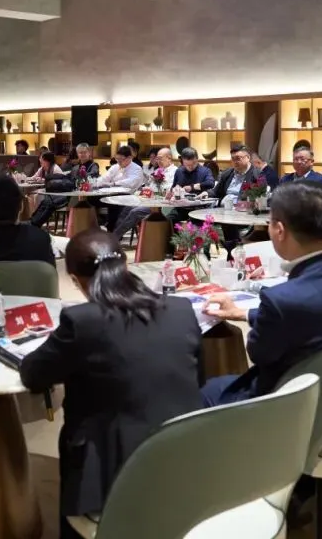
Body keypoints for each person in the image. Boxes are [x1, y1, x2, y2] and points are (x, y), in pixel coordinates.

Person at [20, 230, 201, 538]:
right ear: (125, 265)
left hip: (114, 476)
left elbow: (34, 374)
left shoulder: (82, 321)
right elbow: (199, 380)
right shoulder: (182, 310)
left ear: (75, 280)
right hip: (187, 465)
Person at [201, 182, 322, 406]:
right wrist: (244, 313)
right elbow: (321, 313)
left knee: (205, 391)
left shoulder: (281, 300)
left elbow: (259, 354)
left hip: (296, 410)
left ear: (279, 230)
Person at [30, 144, 100, 228]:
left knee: (51, 203)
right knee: (46, 201)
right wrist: (50, 177)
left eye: (84, 152)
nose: (82, 154)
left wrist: (80, 176)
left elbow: (92, 175)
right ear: (77, 154)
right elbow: (67, 177)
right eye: (80, 153)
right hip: (69, 193)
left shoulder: (93, 166)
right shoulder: (76, 167)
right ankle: (32, 222)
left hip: (80, 197)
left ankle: (35, 225)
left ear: (89, 153)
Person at [113, 148, 175, 240]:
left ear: (169, 158)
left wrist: (154, 192)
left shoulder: (175, 172)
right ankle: (117, 236)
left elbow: (168, 190)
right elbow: (150, 187)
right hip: (150, 201)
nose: (158, 161)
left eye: (160, 158)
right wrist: (144, 190)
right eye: (157, 159)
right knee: (127, 207)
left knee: (135, 212)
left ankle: (114, 237)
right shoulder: (158, 171)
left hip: (162, 205)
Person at [93, 145, 144, 232]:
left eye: (121, 159)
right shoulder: (115, 167)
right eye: (117, 159)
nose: (119, 162)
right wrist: (95, 183)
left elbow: (131, 182)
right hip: (111, 194)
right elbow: (105, 178)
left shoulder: (137, 168)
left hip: (128, 196)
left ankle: (112, 230)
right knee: (91, 199)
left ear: (129, 158)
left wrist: (114, 183)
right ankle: (97, 225)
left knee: (114, 203)